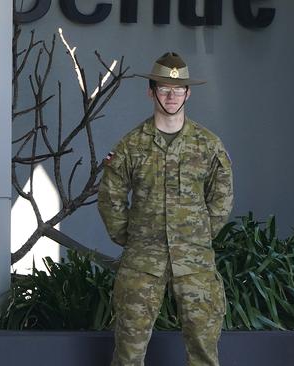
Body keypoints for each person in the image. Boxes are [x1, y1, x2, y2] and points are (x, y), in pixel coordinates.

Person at [98, 52, 234, 366]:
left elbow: (222, 198)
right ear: (151, 92)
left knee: (203, 352)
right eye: (163, 88)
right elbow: (111, 197)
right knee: (128, 353)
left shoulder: (208, 145)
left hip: (195, 263)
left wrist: (197, 235)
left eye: (177, 89)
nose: (171, 95)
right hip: (142, 261)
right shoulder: (131, 145)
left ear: (188, 93)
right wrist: (131, 237)